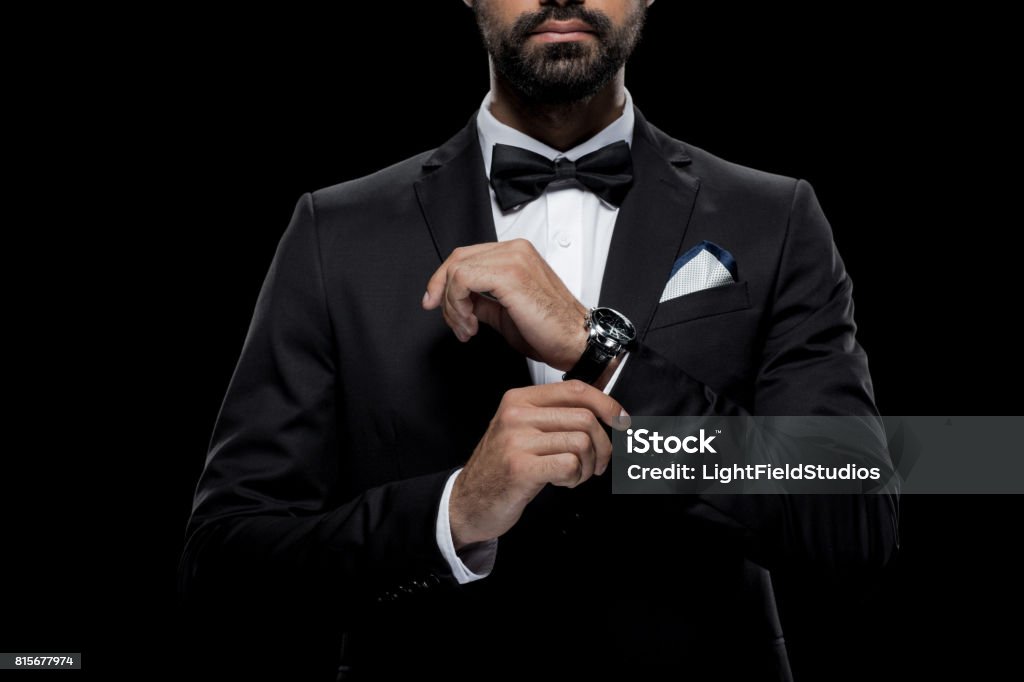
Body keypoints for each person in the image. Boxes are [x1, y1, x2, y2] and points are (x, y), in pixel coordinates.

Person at [178, 1, 899, 679]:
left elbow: (856, 521)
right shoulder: (333, 234)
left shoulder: (776, 218)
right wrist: (455, 513)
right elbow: (227, 564)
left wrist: (608, 360)